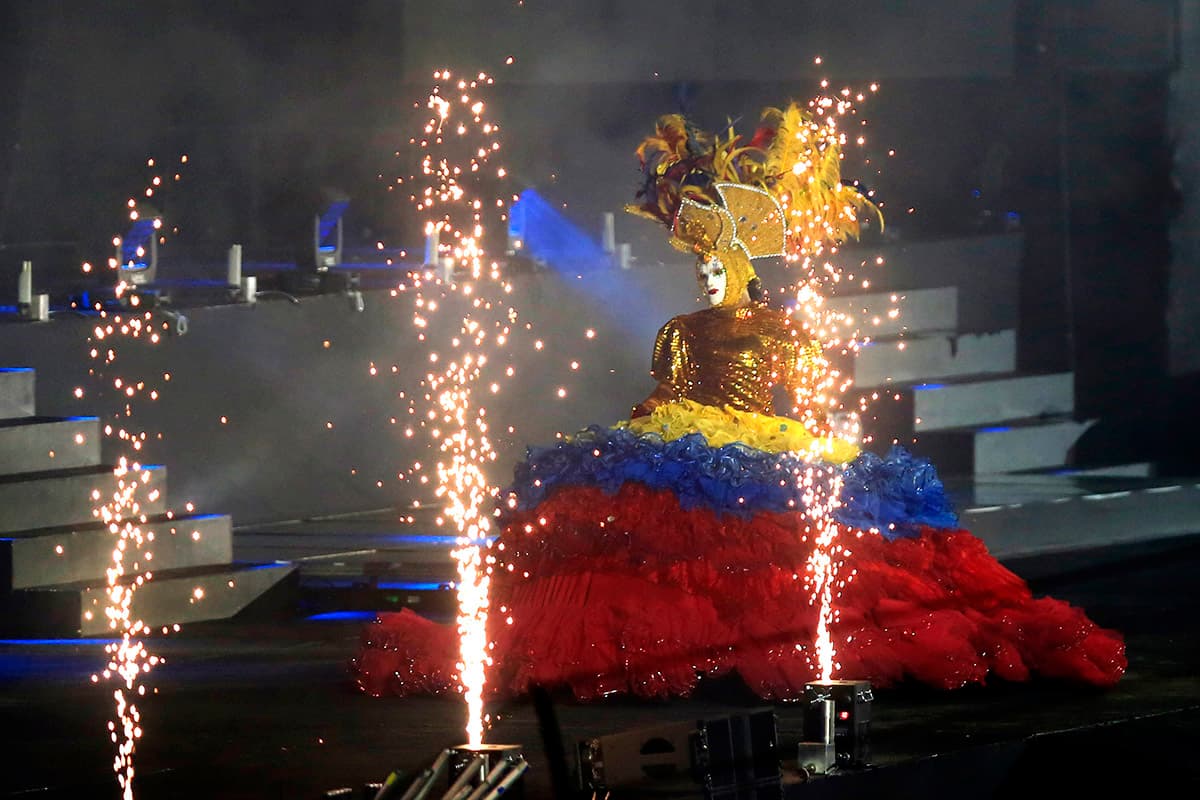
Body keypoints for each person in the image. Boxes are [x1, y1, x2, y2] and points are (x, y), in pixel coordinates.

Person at [352, 101, 1125, 701]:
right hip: (690, 430)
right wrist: (656, 421)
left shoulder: (775, 324)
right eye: (702, 273)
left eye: (716, 271)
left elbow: (801, 381)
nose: (705, 281)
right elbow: (670, 386)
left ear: (739, 268)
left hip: (755, 432)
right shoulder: (683, 327)